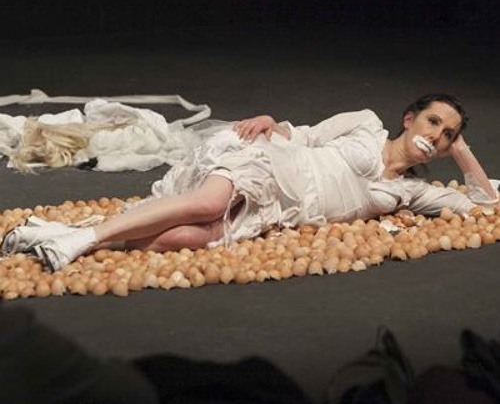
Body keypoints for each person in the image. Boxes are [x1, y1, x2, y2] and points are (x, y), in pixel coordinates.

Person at [1, 93, 498, 271]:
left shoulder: (413, 192)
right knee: (207, 203)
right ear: (410, 119)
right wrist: (271, 122)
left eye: (447, 134)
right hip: (272, 164)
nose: (436, 135)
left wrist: (462, 151)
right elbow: (304, 135)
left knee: (188, 237)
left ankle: (60, 234)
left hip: (281, 210)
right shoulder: (365, 124)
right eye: (433, 122)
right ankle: (82, 240)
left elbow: (484, 204)